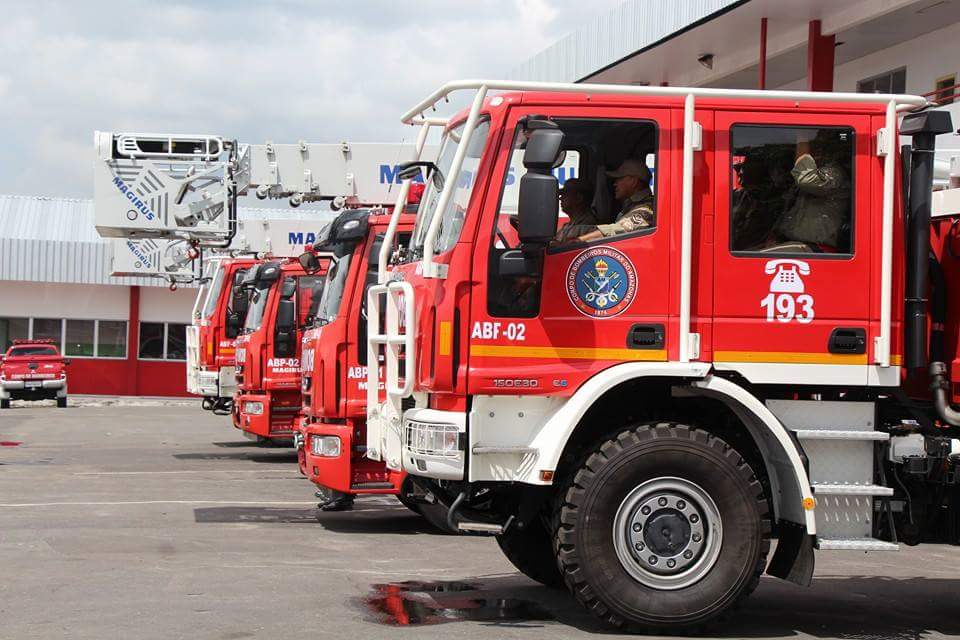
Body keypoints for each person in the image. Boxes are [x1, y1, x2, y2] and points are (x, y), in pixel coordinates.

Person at [772, 130, 850, 251]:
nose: (813, 149)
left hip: (817, 248)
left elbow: (805, 179)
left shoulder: (835, 173)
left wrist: (802, 137)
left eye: (818, 144)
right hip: (797, 244)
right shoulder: (819, 171)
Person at [555, 158, 654, 245]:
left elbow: (618, 230)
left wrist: (579, 241)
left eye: (619, 178)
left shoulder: (646, 208)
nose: (615, 184)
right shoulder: (631, 206)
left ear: (633, 181)